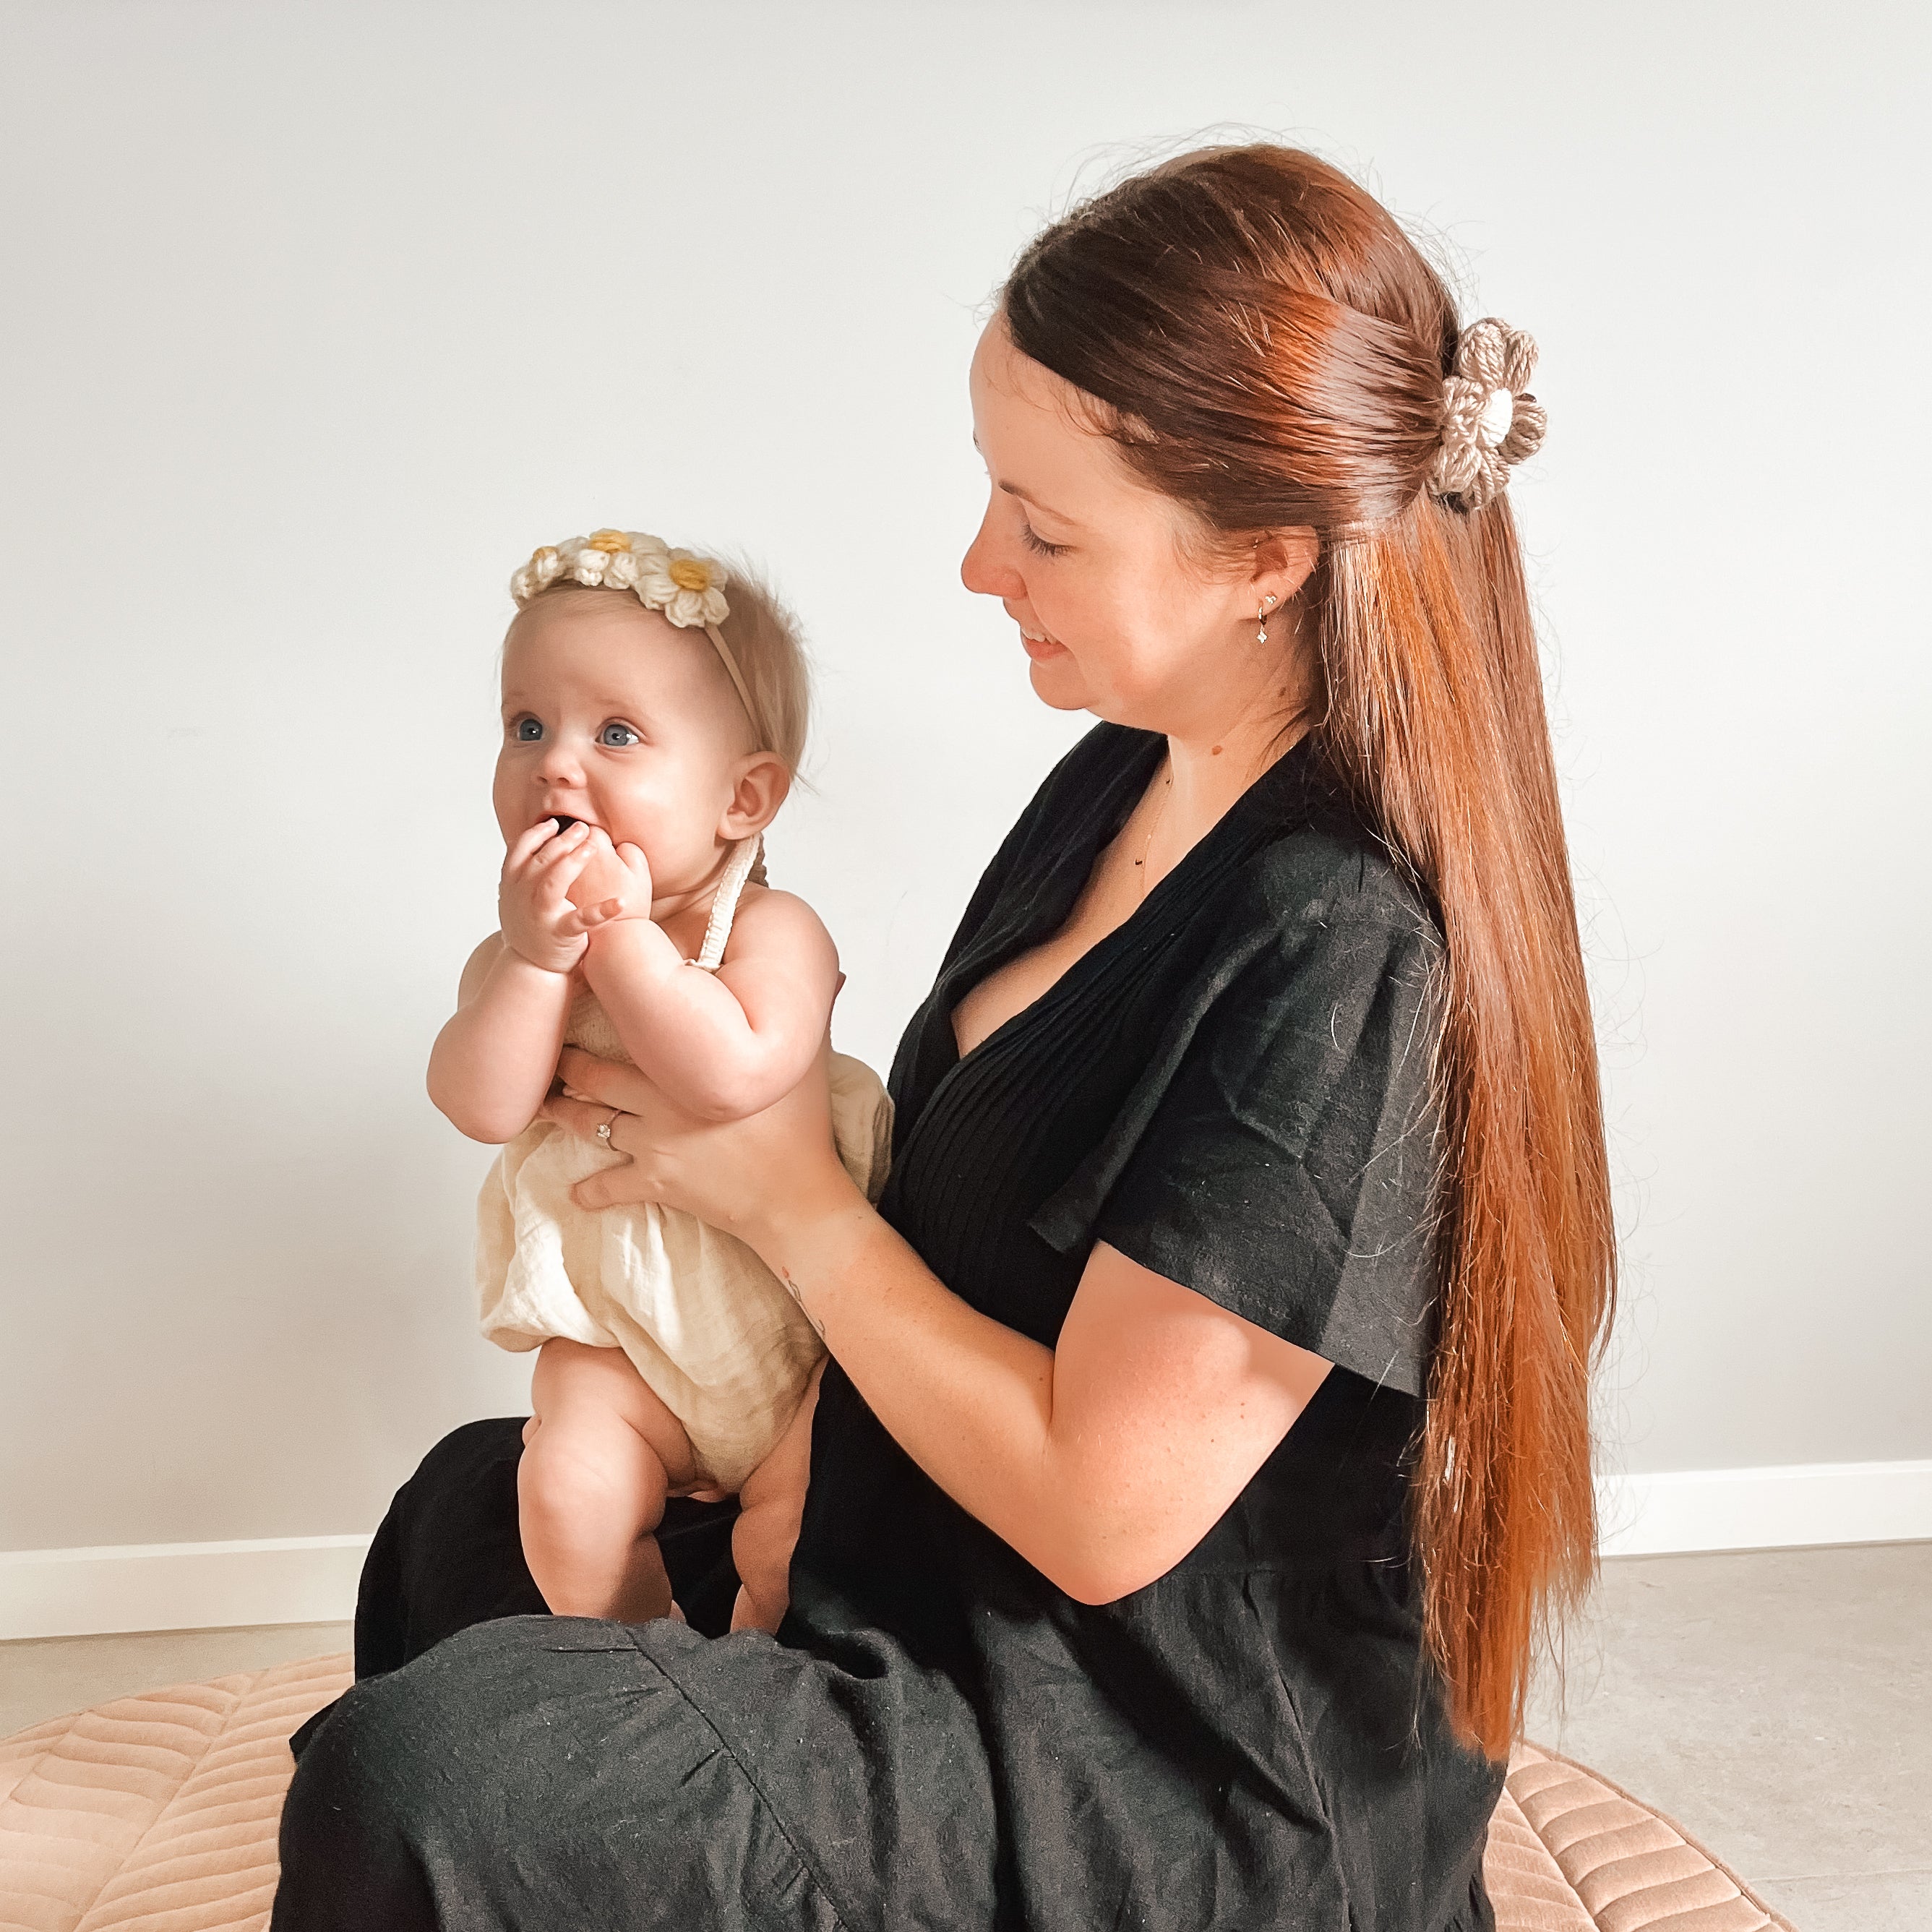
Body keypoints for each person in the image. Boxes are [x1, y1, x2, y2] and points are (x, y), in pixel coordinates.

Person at [274, 144, 1615, 1932]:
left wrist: (786, 1206)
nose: (979, 562)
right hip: (928, 1563)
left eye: (1044, 526)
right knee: (464, 1519)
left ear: (1263, 562)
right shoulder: (1121, 776)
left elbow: (1097, 1506)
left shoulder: (1339, 948)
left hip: (1155, 1757)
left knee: (434, 1777)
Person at [427, 531, 891, 1636]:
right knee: (565, 1499)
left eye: (617, 733)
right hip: (618, 1347)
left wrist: (625, 940)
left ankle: (758, 1679)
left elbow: (730, 1073)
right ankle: (647, 1662)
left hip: (798, 1335)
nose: (555, 762)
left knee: (793, 1540)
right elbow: (479, 1102)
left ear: (743, 797)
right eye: (525, 725)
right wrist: (540, 959)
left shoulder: (773, 931)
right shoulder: (522, 958)